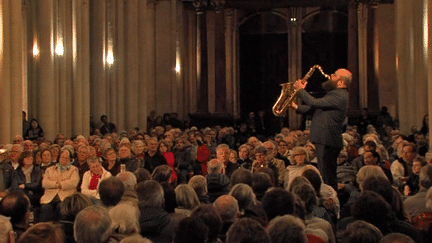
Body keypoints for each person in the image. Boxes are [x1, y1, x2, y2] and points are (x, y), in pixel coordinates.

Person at [292, 68, 352, 190]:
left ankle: (330, 201)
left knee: (327, 177)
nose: (330, 75)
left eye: (334, 75)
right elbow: (316, 109)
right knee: (326, 175)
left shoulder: (340, 95)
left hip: (327, 139)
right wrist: (296, 107)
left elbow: (314, 102)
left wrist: (300, 90)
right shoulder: (335, 94)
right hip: (325, 139)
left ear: (341, 82)